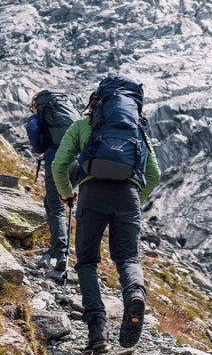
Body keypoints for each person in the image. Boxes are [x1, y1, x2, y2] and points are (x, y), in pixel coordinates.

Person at [51, 79, 161, 354]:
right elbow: (154, 174)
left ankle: (98, 333)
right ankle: (135, 293)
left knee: (87, 262)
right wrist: (136, 198)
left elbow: (59, 164)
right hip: (128, 196)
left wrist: (66, 194)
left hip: (92, 193)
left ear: (94, 105)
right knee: (128, 259)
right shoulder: (136, 128)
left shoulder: (83, 124)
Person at [26, 90, 76, 271]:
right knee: (54, 202)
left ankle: (61, 253)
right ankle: (58, 245)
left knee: (56, 206)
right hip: (77, 162)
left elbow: (32, 128)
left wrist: (38, 148)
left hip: (57, 161)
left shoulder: (41, 114)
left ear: (35, 105)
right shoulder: (68, 111)